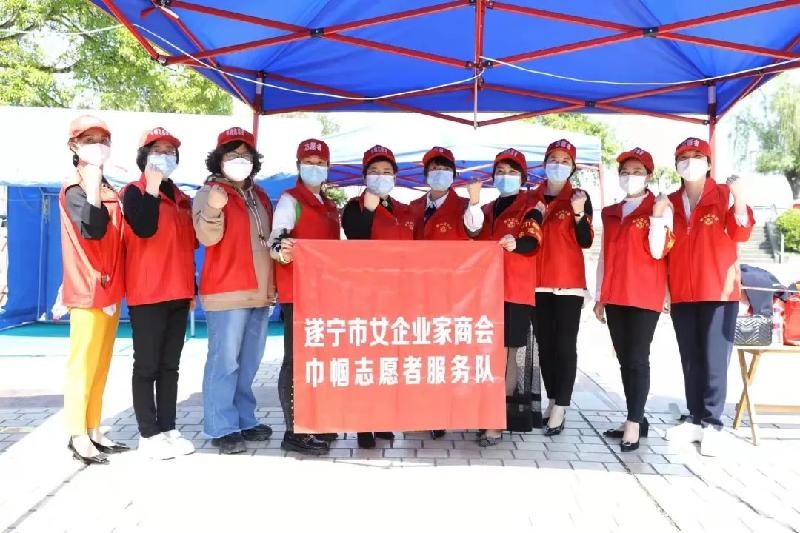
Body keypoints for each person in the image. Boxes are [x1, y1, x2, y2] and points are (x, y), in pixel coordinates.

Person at [664, 137, 754, 456]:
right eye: (684, 156)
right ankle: (694, 417)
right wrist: (666, 289)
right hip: (682, 291)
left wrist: (740, 198)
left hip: (718, 290)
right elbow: (663, 247)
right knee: (690, 358)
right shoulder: (670, 202)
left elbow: (741, 232)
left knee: (715, 360)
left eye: (697, 155)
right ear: (676, 164)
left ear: (709, 163)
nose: (690, 161)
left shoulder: (724, 195)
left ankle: (713, 422)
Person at [193, 127, 275, 455]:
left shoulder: (260, 195)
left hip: (260, 291)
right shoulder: (209, 192)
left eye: (245, 154)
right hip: (226, 290)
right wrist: (214, 208)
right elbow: (206, 237)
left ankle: (244, 418)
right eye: (232, 154)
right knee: (224, 362)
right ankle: (220, 425)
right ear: (219, 159)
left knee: (249, 362)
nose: (239, 160)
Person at [122, 127, 197, 460]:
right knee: (147, 366)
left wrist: (192, 290)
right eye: (157, 150)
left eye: (170, 151)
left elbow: (188, 247)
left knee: (170, 366)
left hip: (179, 292)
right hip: (148, 293)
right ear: (144, 157)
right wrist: (151, 187)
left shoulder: (182, 198)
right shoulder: (133, 192)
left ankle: (168, 427)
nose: (164, 156)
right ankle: (148, 432)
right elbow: (143, 227)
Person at [593, 148, 673, 452]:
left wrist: (656, 216)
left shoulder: (661, 207)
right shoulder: (611, 212)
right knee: (625, 358)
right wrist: (600, 296)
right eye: (625, 171)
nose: (631, 176)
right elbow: (605, 256)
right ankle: (636, 416)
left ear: (649, 175)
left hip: (644, 293)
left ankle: (633, 422)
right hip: (615, 294)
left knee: (638, 357)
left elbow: (658, 251)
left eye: (638, 171)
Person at [60, 115, 129, 465]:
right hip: (88, 289)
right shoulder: (75, 188)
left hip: (110, 286)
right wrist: (90, 186)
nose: (98, 145)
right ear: (74, 146)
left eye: (103, 139)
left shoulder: (107, 186)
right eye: (90, 140)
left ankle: (94, 427)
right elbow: (92, 229)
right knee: (82, 365)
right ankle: (77, 434)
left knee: (101, 364)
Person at [269, 139, 340, 455]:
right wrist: (282, 252)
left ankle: (316, 421)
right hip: (298, 292)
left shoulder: (328, 205)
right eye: (309, 162)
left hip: (323, 294)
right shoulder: (290, 200)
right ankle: (294, 431)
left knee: (317, 359)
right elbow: (276, 242)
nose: (315, 167)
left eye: (320, 163)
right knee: (296, 360)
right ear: (298, 165)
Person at [469, 148, 544, 447]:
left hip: (514, 289)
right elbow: (471, 234)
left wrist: (516, 244)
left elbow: (532, 240)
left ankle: (497, 418)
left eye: (512, 172)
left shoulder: (531, 205)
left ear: (523, 178)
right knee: (487, 353)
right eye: (500, 172)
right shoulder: (487, 208)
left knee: (506, 354)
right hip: (485, 290)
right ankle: (483, 411)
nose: (506, 177)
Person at [341, 144, 414, 448]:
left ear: (395, 176)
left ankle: (383, 418)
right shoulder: (353, 207)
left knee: (390, 361)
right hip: (366, 297)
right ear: (364, 176)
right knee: (367, 361)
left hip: (399, 297)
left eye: (386, 171)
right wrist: (369, 208)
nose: (380, 176)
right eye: (374, 171)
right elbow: (356, 236)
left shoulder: (404, 210)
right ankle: (363, 424)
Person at [409, 146, 483, 439]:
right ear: (425, 174)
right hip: (418, 293)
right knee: (421, 352)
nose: (439, 173)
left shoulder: (465, 206)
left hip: (453, 295)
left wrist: (474, 202)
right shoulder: (413, 206)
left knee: (447, 354)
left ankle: (444, 411)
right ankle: (422, 409)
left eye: (444, 169)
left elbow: (475, 229)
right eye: (433, 168)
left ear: (453, 175)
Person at [535, 139, 593, 436]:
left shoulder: (579, 197)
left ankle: (562, 405)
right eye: (553, 160)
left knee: (565, 344)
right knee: (545, 345)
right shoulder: (531, 197)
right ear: (544, 163)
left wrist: (579, 212)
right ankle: (552, 398)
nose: (558, 165)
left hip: (568, 283)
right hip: (536, 282)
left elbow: (586, 240)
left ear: (572, 167)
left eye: (564, 161)